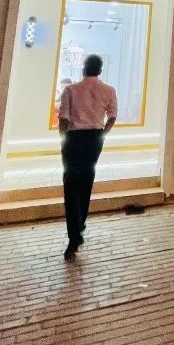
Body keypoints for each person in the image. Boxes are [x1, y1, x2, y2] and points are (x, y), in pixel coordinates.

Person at [58, 54, 117, 259]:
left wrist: (63, 141)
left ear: (84, 68)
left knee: (70, 184)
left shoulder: (71, 90)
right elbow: (112, 116)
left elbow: (63, 119)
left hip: (74, 138)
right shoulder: (108, 90)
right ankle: (80, 224)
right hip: (94, 138)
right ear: (100, 70)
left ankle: (74, 234)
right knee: (86, 180)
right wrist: (103, 134)